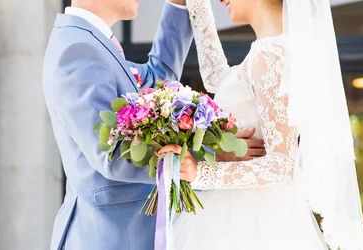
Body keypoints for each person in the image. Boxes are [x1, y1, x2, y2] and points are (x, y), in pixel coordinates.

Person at [42, 0, 266, 249]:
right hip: (110, 238)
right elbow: (111, 153)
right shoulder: (77, 49)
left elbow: (158, 78)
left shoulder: (90, 43)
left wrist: (179, 4)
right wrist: (209, 157)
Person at [158, 0, 363, 249]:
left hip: (254, 220)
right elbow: (217, 77)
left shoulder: (271, 55)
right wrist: (198, 4)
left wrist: (200, 173)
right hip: (248, 211)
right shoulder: (270, 51)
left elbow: (282, 165)